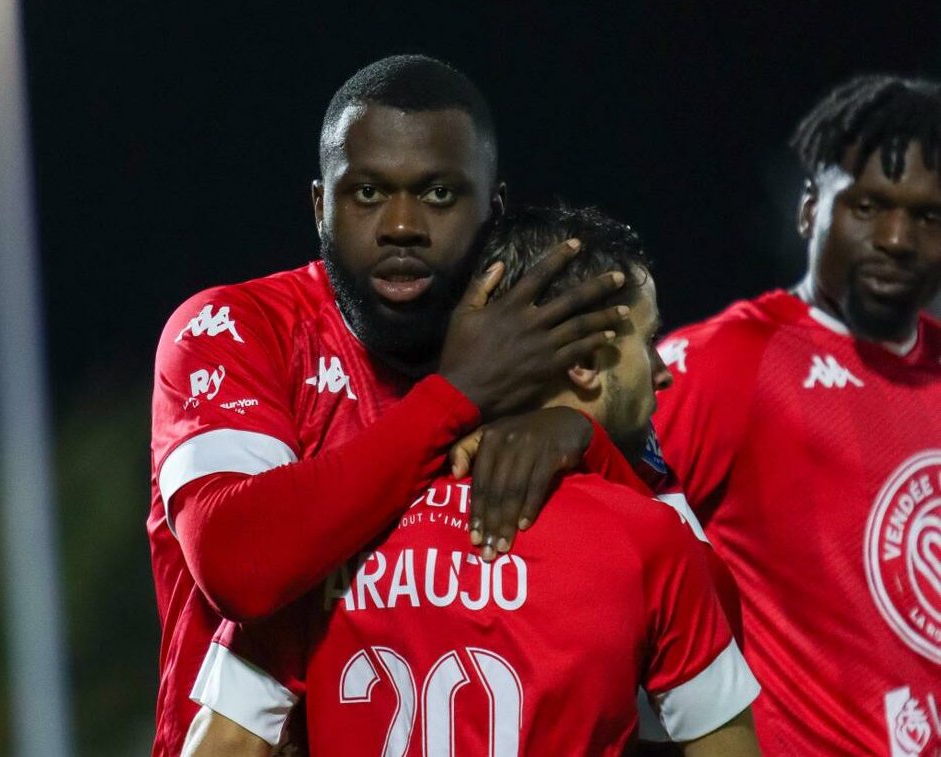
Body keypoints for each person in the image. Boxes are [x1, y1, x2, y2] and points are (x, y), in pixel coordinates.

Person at [148, 56, 629, 756]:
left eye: (438, 195)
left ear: (492, 210)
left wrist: (589, 443)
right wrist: (456, 399)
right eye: (368, 192)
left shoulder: (541, 356)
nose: (401, 225)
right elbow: (239, 563)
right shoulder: (234, 330)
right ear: (320, 206)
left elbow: (687, 610)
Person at [186, 206, 762, 756]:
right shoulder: (645, 537)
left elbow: (225, 743)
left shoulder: (334, 533)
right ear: (585, 364)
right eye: (646, 340)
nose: (661, 372)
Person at [653, 75, 941, 755]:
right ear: (811, 211)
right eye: (868, 205)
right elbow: (589, 529)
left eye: (928, 216)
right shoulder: (728, 360)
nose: (898, 238)